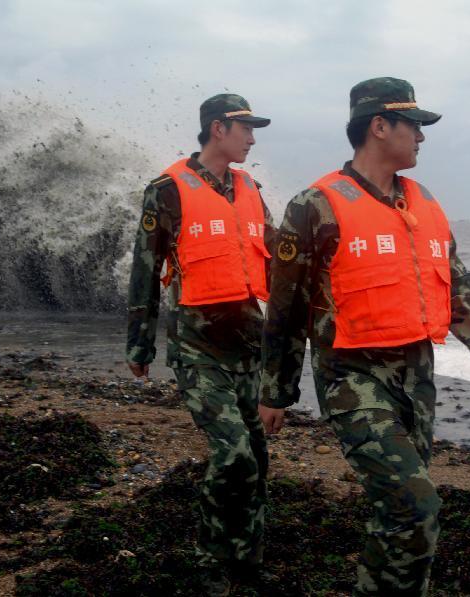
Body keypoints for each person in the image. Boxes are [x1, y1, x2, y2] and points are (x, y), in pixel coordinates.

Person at [258, 77, 470, 596]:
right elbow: (286, 309)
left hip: (416, 376)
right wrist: (277, 392)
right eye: (415, 126)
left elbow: (459, 289)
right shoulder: (314, 206)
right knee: (416, 505)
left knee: (398, 512)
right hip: (351, 378)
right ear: (379, 126)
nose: (422, 137)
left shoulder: (423, 203)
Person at [126, 93, 275, 596]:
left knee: (256, 451)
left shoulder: (251, 188)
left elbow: (276, 259)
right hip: (198, 347)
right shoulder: (166, 190)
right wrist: (139, 346)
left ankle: (247, 559)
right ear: (218, 129)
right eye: (245, 128)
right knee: (233, 452)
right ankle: (210, 559)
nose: (253, 138)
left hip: (248, 344)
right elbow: (144, 271)